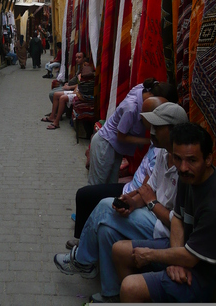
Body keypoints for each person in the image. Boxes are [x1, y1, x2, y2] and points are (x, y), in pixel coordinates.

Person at [53, 102, 189, 303]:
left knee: (104, 207)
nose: (152, 132)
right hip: (152, 218)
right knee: (107, 230)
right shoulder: (162, 153)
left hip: (165, 231)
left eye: (158, 128)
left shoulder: (184, 167)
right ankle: (111, 294)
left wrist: (151, 204)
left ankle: (82, 260)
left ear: (173, 131)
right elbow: (148, 190)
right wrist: (133, 203)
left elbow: (176, 221)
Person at [113, 123, 215, 303]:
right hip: (185, 252)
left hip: (206, 275)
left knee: (130, 287)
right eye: (177, 158)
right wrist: (176, 260)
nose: (183, 167)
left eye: (192, 160)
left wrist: (150, 255)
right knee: (119, 250)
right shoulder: (187, 177)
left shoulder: (213, 202)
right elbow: (177, 219)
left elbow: (191, 258)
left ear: (208, 159)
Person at [67, 96, 168, 246]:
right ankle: (85, 241)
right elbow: (147, 188)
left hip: (138, 196)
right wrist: (132, 199)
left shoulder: (163, 152)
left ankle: (84, 247)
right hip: (133, 189)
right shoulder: (157, 145)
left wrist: (131, 199)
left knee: (97, 202)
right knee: (89, 194)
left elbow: (147, 190)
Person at [88, 78, 178, 185]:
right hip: (105, 144)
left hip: (116, 148)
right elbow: (120, 136)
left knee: (110, 184)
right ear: (155, 98)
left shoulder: (143, 89)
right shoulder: (131, 108)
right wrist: (150, 140)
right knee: (97, 185)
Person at [44, 60, 94, 129]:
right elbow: (78, 85)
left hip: (79, 94)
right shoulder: (81, 73)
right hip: (77, 92)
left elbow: (81, 90)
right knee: (55, 94)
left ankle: (56, 122)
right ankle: (52, 116)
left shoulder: (89, 76)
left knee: (62, 98)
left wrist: (73, 89)